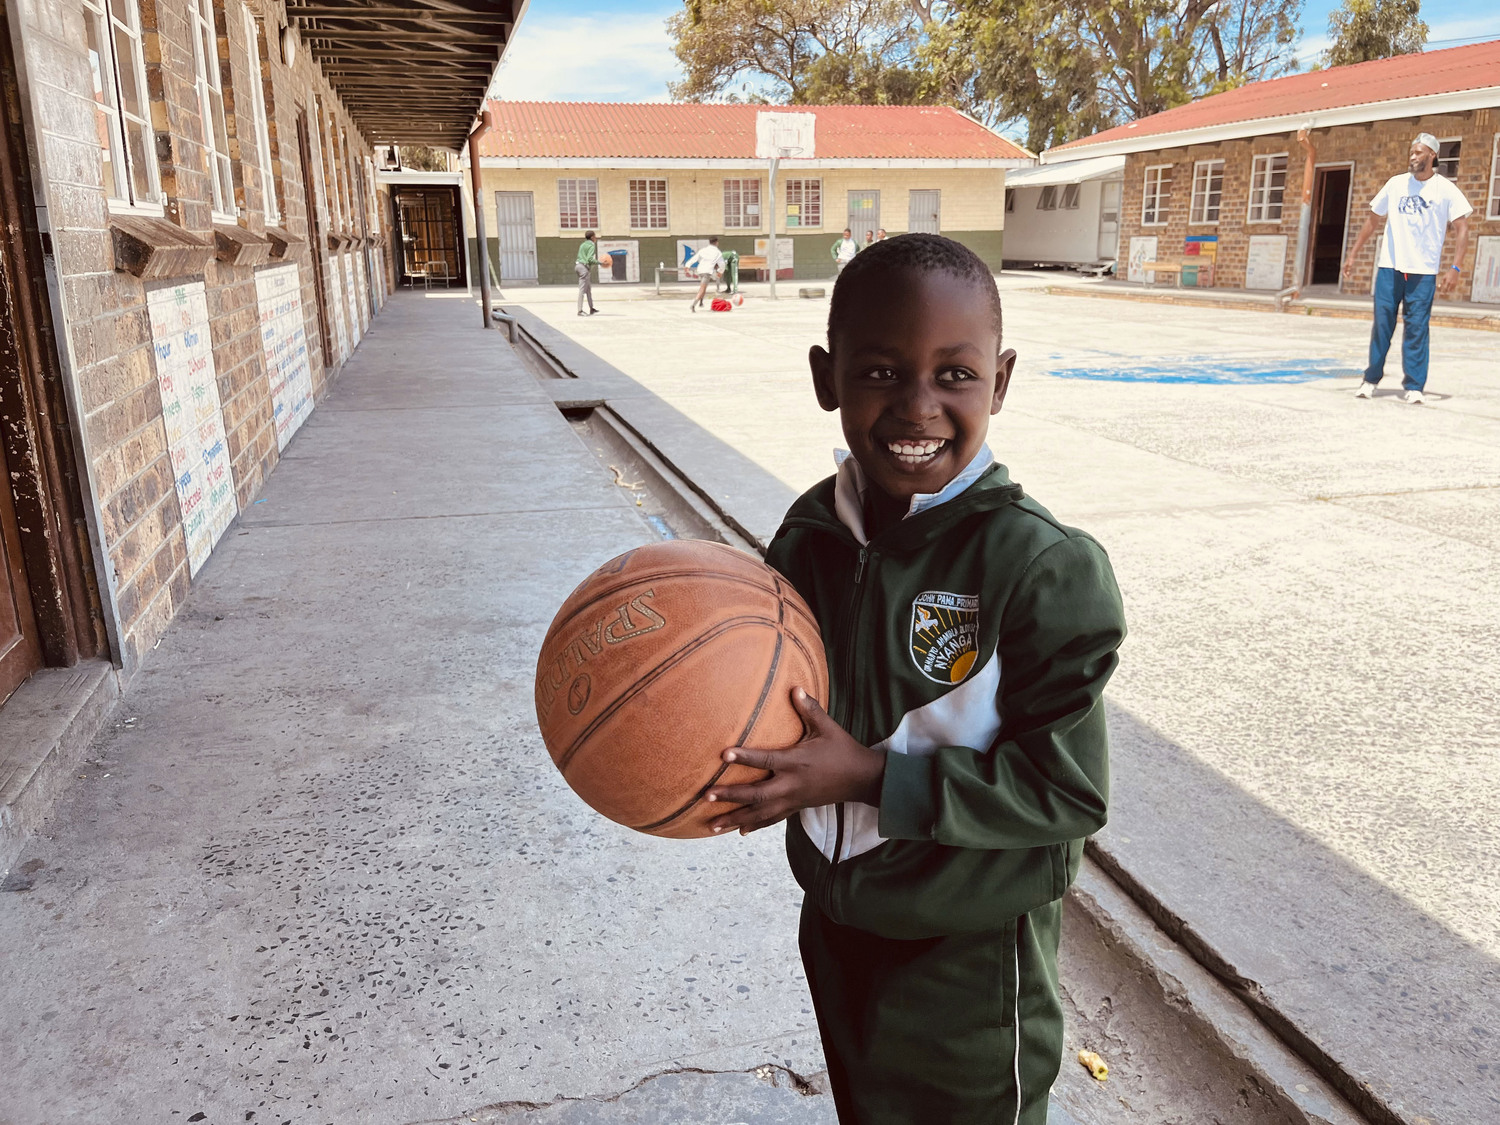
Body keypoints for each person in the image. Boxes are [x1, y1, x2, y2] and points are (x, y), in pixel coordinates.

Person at [704, 233, 1126, 1124]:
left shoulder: (1041, 568)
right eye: (882, 372)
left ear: (1000, 381)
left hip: (968, 961)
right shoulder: (809, 537)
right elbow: (769, 700)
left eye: (955, 375)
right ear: (828, 377)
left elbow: (1068, 794)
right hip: (838, 925)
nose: (918, 406)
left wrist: (865, 777)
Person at [1345, 132, 1472, 405]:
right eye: (1411, 152)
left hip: (1423, 272)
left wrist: (1455, 268)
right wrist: (1353, 254)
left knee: (1417, 328)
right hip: (1390, 267)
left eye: (1419, 152)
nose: (1413, 157)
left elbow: (1462, 228)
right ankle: (1370, 379)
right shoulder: (1395, 184)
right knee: (1382, 325)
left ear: (1432, 155)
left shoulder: (1446, 190)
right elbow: (1372, 220)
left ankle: (1414, 386)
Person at [686, 237, 725, 312]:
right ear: (716, 242)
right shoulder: (718, 252)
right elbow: (722, 264)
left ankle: (701, 302)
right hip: (707, 272)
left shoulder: (703, 250)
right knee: (702, 288)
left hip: (700, 270)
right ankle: (693, 305)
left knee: (704, 286)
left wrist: (687, 265)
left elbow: (695, 258)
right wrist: (720, 272)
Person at [575, 231, 600, 316]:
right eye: (595, 236)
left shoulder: (582, 244)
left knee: (588, 289)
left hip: (578, 266)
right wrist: (600, 263)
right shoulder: (591, 245)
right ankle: (580, 310)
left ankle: (591, 308)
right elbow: (590, 259)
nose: (596, 238)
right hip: (583, 268)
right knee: (582, 290)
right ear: (592, 237)